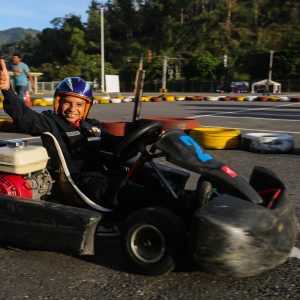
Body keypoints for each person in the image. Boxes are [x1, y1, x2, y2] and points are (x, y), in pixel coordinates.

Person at [0, 58, 157, 210]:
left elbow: (115, 144)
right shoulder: (51, 122)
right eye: (67, 102)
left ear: (86, 107)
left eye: (79, 104)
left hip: (104, 173)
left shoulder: (92, 125)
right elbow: (25, 117)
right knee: (136, 194)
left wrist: (142, 139)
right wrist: (8, 90)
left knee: (155, 179)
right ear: (58, 103)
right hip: (80, 181)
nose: (72, 109)